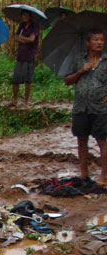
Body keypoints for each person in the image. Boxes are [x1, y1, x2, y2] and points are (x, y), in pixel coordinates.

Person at [64, 29, 107, 184]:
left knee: (102, 140)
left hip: (100, 107)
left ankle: (104, 175)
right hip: (81, 106)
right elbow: (67, 81)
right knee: (81, 140)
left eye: (101, 40)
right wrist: (80, 71)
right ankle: (84, 173)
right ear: (87, 43)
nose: (99, 42)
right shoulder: (78, 60)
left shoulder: (106, 61)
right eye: (95, 39)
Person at [11, 10, 40, 107]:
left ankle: (26, 102)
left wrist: (22, 38)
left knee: (28, 80)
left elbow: (32, 39)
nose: (24, 17)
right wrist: (24, 39)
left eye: (26, 15)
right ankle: (14, 100)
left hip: (29, 56)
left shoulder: (34, 27)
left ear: (30, 16)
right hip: (20, 55)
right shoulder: (21, 26)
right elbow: (15, 38)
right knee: (15, 79)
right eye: (23, 15)